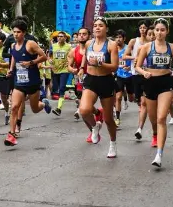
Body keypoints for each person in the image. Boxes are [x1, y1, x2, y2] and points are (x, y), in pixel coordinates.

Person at [135, 19, 173, 167]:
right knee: (153, 119)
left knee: (161, 118)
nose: (159, 33)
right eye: (157, 30)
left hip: (166, 83)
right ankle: (155, 134)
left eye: (162, 30)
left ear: (167, 31)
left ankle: (159, 154)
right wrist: (144, 73)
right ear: (154, 31)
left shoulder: (172, 48)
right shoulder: (147, 47)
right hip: (150, 83)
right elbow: (137, 67)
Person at [4, 19, 51, 147]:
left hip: (33, 82)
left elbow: (44, 57)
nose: (15, 34)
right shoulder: (13, 45)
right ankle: (11, 135)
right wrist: (11, 69)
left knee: (35, 109)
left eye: (18, 32)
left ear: (24, 33)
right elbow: (14, 56)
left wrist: (30, 63)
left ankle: (44, 103)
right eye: (14, 32)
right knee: (14, 107)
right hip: (19, 81)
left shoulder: (30, 44)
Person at [77, 18, 119, 158]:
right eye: (95, 26)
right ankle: (95, 127)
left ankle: (113, 144)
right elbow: (85, 57)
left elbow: (114, 66)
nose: (97, 28)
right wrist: (82, 68)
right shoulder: (89, 43)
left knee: (108, 119)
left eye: (101, 26)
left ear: (106, 28)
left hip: (106, 81)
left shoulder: (111, 45)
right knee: (84, 110)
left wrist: (100, 63)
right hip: (91, 80)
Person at [123, 22, 150, 133]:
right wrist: (137, 57)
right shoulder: (134, 41)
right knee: (137, 99)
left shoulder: (151, 43)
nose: (142, 29)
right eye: (141, 27)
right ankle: (143, 108)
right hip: (135, 73)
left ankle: (140, 128)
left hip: (148, 74)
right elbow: (125, 56)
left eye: (144, 28)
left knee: (144, 102)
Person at [114, 30, 134, 126]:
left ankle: (129, 98)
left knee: (131, 98)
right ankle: (117, 118)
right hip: (119, 75)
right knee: (118, 97)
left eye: (120, 37)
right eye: (116, 37)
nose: (118, 39)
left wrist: (130, 67)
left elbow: (136, 59)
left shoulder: (128, 48)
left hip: (129, 75)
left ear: (124, 38)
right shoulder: (113, 49)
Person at [50, 32, 72, 115]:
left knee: (62, 87)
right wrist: (50, 60)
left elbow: (71, 57)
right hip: (55, 70)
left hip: (65, 70)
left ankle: (59, 108)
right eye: (58, 36)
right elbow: (49, 55)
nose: (59, 38)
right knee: (57, 88)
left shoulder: (69, 47)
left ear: (65, 38)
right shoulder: (53, 46)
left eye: (61, 36)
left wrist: (70, 63)